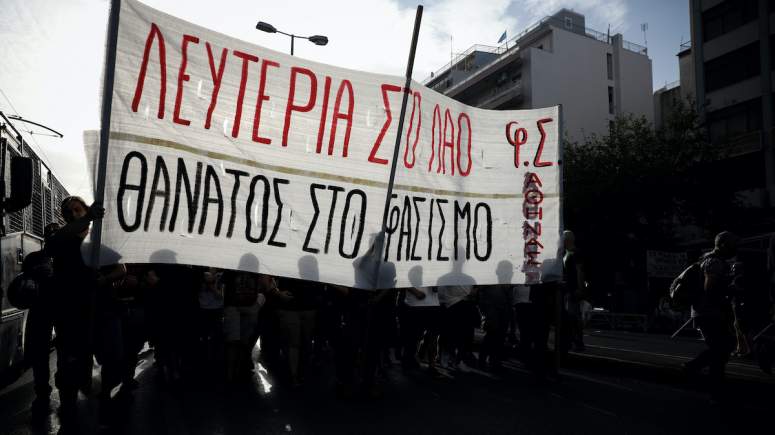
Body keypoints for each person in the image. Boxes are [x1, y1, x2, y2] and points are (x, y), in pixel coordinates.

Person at [45, 197, 123, 431]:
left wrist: (104, 280)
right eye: (68, 213)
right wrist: (88, 218)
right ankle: (69, 410)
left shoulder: (99, 242)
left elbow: (121, 268)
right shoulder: (62, 240)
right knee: (70, 367)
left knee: (112, 359)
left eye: (78, 210)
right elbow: (53, 244)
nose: (73, 215)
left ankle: (105, 396)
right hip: (72, 316)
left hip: (103, 311)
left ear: (86, 210)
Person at [684, 231, 737, 403]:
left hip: (708, 311)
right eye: (732, 245)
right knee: (721, 349)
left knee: (721, 350)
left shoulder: (710, 260)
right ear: (723, 245)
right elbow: (710, 288)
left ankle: (713, 386)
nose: (735, 248)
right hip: (709, 312)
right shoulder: (714, 262)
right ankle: (698, 372)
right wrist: (730, 290)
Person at [25, 223, 58, 420]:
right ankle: (42, 393)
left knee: (67, 352)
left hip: (63, 310)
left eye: (56, 235)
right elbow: (26, 283)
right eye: (49, 235)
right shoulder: (33, 258)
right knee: (39, 354)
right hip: (40, 310)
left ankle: (67, 391)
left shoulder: (70, 258)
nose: (52, 237)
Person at [562, 231, 586, 352]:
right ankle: (572, 340)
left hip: (574, 289)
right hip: (568, 289)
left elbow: (579, 271)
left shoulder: (575, 253)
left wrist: (580, 288)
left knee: (574, 316)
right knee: (570, 316)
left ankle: (578, 341)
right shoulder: (566, 253)